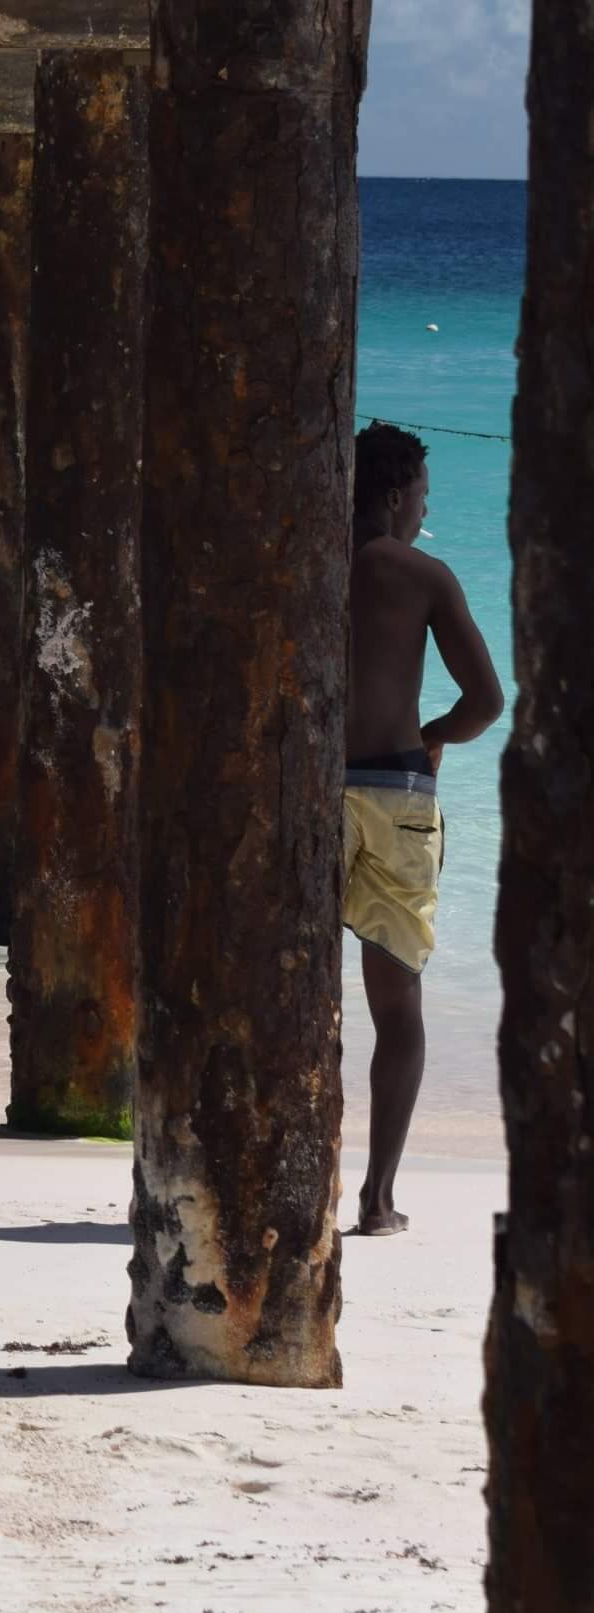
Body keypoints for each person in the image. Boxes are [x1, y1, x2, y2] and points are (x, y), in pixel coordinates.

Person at [344, 421, 504, 1237]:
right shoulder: (422, 575)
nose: (421, 514)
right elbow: (486, 705)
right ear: (397, 494)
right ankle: (374, 1200)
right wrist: (432, 735)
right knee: (396, 1006)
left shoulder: (302, 562)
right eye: (422, 499)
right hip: (397, 794)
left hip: (304, 793)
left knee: (289, 991)